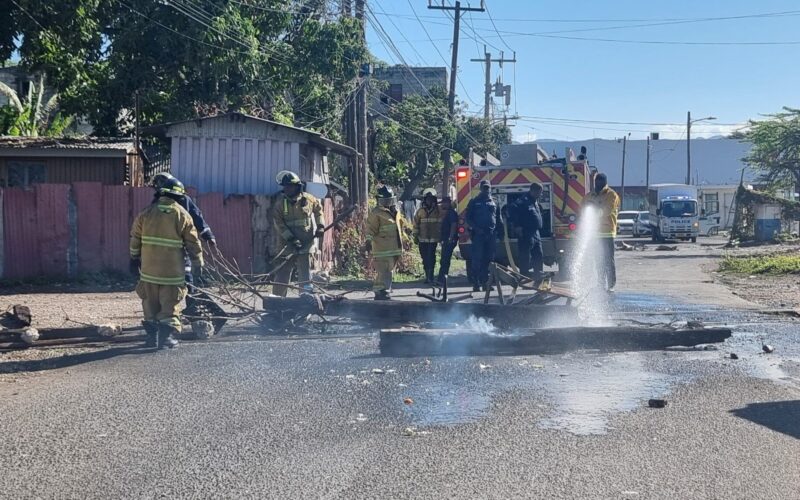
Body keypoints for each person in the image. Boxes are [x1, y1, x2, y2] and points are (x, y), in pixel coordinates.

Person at [130, 176, 203, 349]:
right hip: (172, 274)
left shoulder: (146, 213)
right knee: (170, 305)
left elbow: (135, 238)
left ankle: (152, 338)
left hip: (149, 272)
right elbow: (193, 243)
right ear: (178, 196)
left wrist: (133, 259)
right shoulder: (182, 215)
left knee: (150, 303)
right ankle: (166, 339)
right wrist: (198, 264)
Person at [151, 172, 215, 311]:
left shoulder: (184, 200)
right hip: (162, 252)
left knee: (187, 277)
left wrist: (208, 235)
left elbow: (197, 217)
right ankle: (164, 315)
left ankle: (193, 307)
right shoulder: (157, 202)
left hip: (181, 247)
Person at [271, 170, 325, 297]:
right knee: (282, 273)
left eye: (290, 186)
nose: (287, 189)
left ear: (297, 186)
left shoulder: (309, 199)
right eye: (285, 186)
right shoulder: (280, 204)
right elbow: (279, 225)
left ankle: (306, 299)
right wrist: (292, 239)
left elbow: (319, 212)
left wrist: (320, 226)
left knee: (305, 275)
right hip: (286, 245)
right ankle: (277, 301)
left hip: (307, 244)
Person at [583, 172, 620, 292]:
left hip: (607, 232)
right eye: (596, 181)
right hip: (594, 234)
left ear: (604, 182)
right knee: (598, 260)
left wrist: (593, 214)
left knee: (608, 260)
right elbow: (582, 208)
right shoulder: (590, 195)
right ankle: (600, 283)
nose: (597, 184)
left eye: (600, 181)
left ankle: (610, 284)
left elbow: (607, 210)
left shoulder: (611, 195)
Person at [365, 185, 403, 300]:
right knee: (383, 272)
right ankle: (380, 292)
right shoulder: (376, 213)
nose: (388, 202)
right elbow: (370, 229)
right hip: (382, 250)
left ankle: (385, 290)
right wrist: (368, 241)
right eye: (385, 200)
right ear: (379, 200)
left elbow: (399, 228)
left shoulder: (395, 212)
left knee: (389, 272)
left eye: (390, 200)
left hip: (393, 249)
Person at [465, 179, 499, 292]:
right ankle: (476, 283)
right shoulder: (474, 202)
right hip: (478, 235)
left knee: (489, 259)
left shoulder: (494, 201)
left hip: (491, 234)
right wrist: (476, 229)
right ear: (481, 188)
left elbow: (497, 218)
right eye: (484, 188)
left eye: (488, 188)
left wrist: (501, 232)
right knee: (477, 260)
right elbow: (468, 218)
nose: (486, 190)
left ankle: (486, 283)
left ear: (490, 188)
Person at [511, 182, 544, 283]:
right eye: (539, 192)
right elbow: (513, 211)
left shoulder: (534, 201)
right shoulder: (523, 201)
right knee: (525, 256)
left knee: (538, 255)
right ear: (533, 191)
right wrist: (516, 227)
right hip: (526, 233)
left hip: (535, 233)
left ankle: (538, 276)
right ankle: (524, 277)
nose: (540, 195)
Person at [413, 188, 442, 284]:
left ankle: (431, 276)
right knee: (425, 258)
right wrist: (415, 235)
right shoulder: (420, 211)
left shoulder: (438, 210)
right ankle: (427, 276)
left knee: (431, 257)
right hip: (422, 239)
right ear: (425, 200)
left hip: (433, 239)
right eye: (427, 199)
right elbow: (416, 224)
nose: (429, 201)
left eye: (431, 199)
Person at [437, 196, 459, 284]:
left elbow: (453, 225)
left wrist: (450, 237)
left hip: (449, 239)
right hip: (446, 239)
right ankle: (442, 278)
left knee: (445, 259)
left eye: (444, 203)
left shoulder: (451, 213)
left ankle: (442, 279)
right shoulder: (447, 213)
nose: (442, 204)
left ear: (448, 203)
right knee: (444, 259)